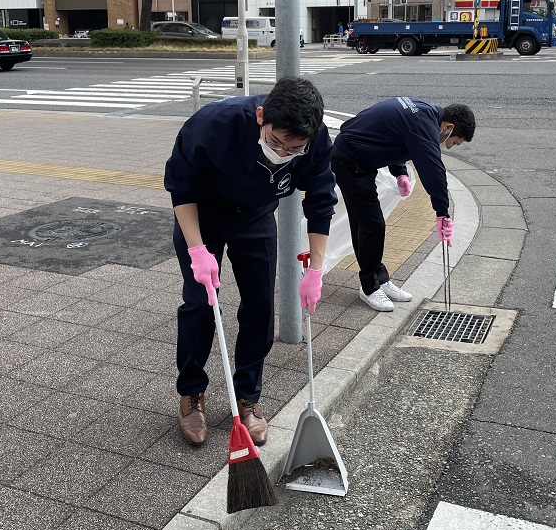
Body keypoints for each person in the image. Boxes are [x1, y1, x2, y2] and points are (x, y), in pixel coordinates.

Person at [164, 77, 336, 448]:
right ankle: (191, 394)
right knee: (199, 304)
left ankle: (248, 396)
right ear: (261, 116)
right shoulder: (213, 125)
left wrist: (316, 271)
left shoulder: (315, 140)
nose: (282, 152)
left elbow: (320, 200)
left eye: (293, 149)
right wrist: (197, 250)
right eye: (275, 142)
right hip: (203, 216)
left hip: (256, 216)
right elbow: (182, 188)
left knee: (260, 305)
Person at [331, 98, 475, 312]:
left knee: (365, 223)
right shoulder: (425, 125)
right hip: (350, 161)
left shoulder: (422, 113)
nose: (448, 146)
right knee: (372, 225)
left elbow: (391, 136)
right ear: (448, 127)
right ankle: (369, 287)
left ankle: (377, 277)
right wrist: (442, 212)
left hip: (356, 157)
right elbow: (433, 170)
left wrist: (399, 171)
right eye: (453, 142)